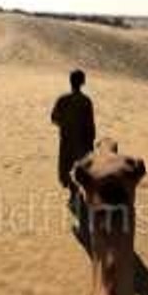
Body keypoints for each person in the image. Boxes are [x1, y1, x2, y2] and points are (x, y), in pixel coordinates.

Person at [50, 69, 96, 205]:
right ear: (83, 82)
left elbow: (54, 118)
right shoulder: (86, 101)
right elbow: (90, 123)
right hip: (83, 141)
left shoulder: (63, 99)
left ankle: (73, 191)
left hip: (66, 139)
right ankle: (78, 193)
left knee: (66, 165)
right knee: (82, 166)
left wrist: (65, 125)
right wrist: (91, 140)